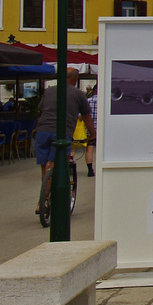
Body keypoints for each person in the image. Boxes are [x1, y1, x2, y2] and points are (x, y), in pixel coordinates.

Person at [33, 67, 95, 217]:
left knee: (45, 168)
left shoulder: (49, 91)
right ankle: (42, 202)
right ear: (75, 79)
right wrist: (92, 134)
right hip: (62, 132)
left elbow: (42, 109)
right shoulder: (79, 94)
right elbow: (86, 116)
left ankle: (43, 199)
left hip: (41, 131)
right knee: (56, 164)